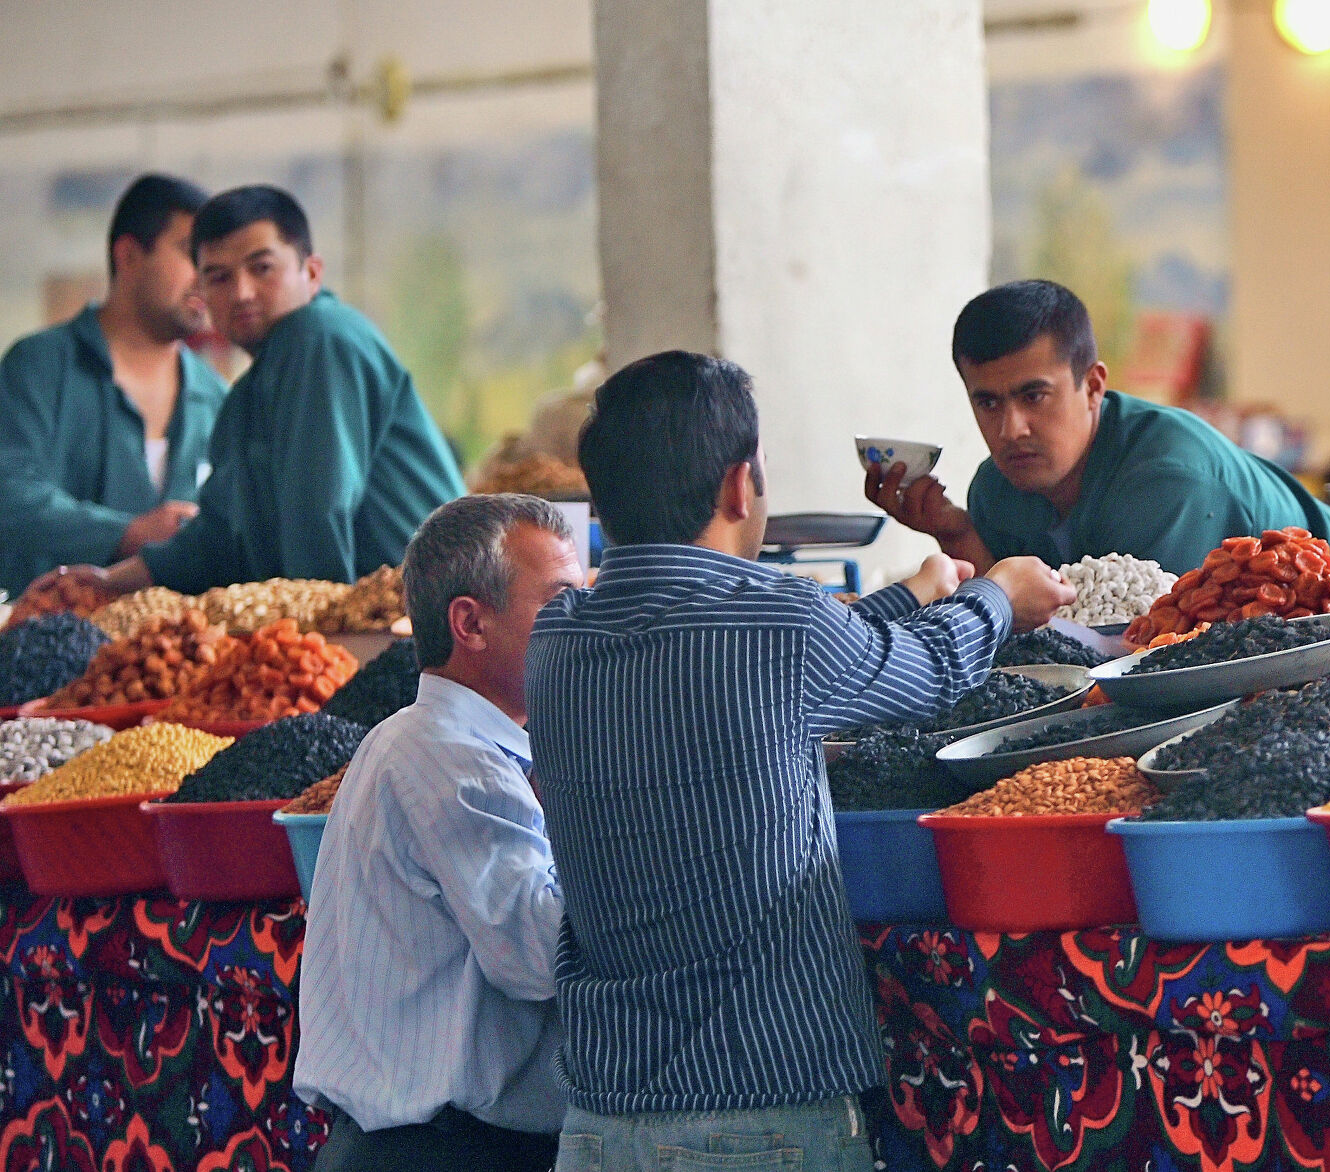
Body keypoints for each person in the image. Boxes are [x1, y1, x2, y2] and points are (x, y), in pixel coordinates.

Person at [526, 351, 1075, 1171]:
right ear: (738, 486)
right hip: (761, 1120)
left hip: (602, 1125)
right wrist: (996, 596)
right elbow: (921, 674)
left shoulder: (558, 637)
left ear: (599, 500)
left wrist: (919, 592)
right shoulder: (775, 626)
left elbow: (819, 653)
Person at [297, 493, 582, 1171]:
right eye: (562, 601)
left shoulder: (437, 742)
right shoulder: (451, 757)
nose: (584, 624)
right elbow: (540, 954)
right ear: (470, 624)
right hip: (435, 1151)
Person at [37, 184, 465, 598]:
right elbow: (220, 531)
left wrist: (310, 651)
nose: (241, 293)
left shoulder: (319, 337)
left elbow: (317, 515)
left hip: (422, 629)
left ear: (312, 273)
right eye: (218, 278)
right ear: (202, 293)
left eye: (261, 268)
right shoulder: (247, 393)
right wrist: (112, 580)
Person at [866, 279, 1330, 577]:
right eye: (987, 402)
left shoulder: (1167, 475)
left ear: (1094, 386)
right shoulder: (997, 492)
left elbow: (1139, 654)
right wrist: (957, 533)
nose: (1011, 429)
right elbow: (1027, 627)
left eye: (1035, 395)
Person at [0, 174, 226, 596]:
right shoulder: (40, 367)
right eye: (189, 253)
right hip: (46, 641)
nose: (206, 276)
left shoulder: (215, 398)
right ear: (128, 255)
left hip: (176, 652)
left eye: (212, 262)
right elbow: (8, 496)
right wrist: (129, 532)